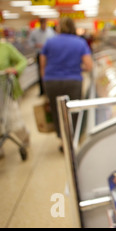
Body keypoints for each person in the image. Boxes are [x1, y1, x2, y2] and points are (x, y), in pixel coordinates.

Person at [40, 17, 93, 151]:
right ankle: (72, 139)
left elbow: (42, 63)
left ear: (59, 27)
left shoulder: (50, 42)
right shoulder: (80, 42)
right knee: (73, 111)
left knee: (56, 110)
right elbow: (89, 65)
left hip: (51, 81)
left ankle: (62, 139)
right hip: (73, 81)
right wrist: (76, 67)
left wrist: (45, 78)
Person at [0, 19, 29, 163]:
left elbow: (22, 61)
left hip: (5, 91)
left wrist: (14, 70)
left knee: (13, 119)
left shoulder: (5, 48)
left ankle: (24, 137)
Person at [28, 18, 55, 95]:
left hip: (49, 54)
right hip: (40, 53)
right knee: (41, 72)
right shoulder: (34, 32)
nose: (44, 25)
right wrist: (36, 45)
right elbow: (30, 42)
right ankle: (42, 91)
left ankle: (49, 89)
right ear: (40, 23)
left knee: (49, 71)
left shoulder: (50, 31)